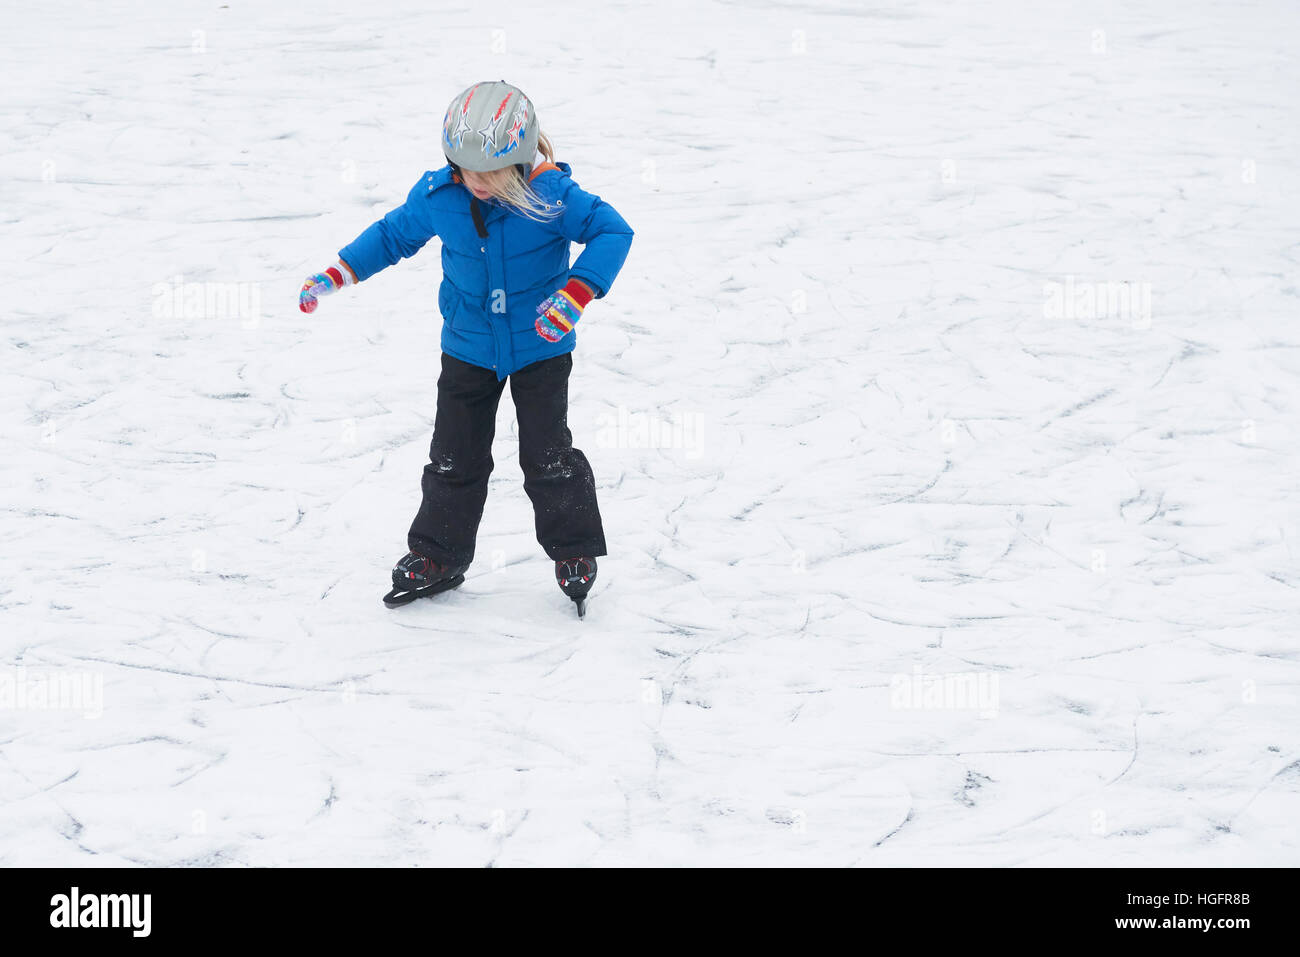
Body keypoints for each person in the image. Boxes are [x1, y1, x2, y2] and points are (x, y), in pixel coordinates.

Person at [299, 81, 634, 613]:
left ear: (520, 161)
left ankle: (574, 550)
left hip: (540, 349)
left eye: (491, 175)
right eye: (468, 171)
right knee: (453, 458)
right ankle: (439, 554)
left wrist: (577, 291)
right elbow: (391, 236)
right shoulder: (441, 198)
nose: (477, 183)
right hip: (468, 349)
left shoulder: (552, 198)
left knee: (548, 456)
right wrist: (338, 273)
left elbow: (614, 231)